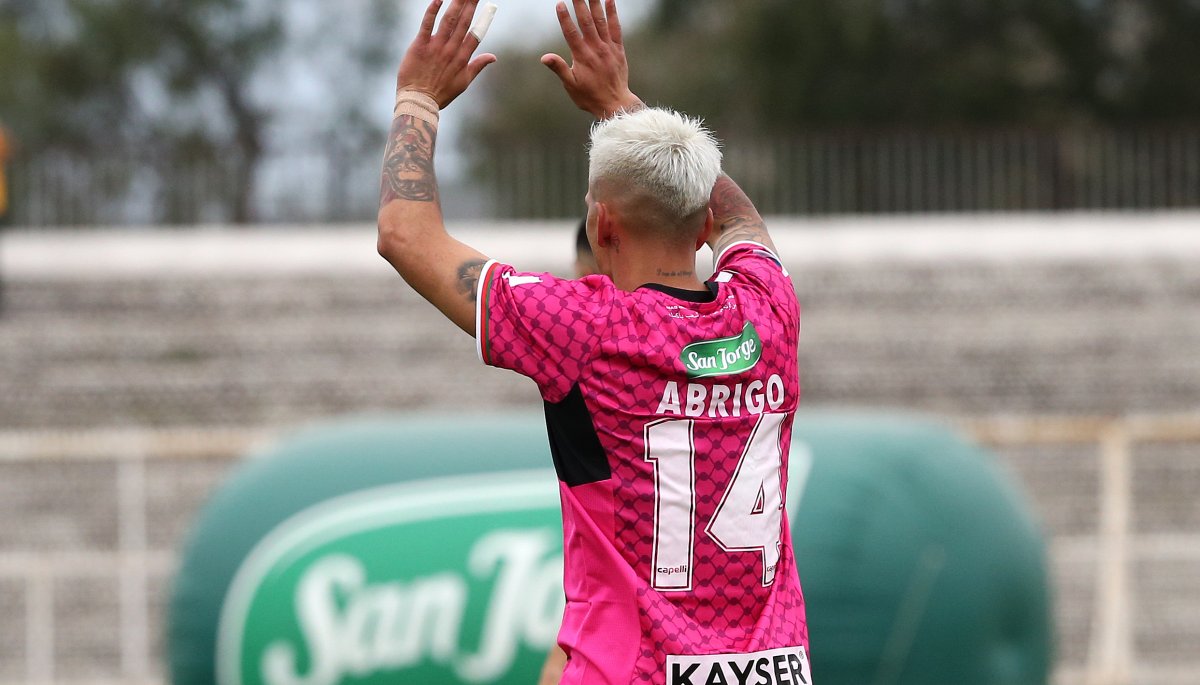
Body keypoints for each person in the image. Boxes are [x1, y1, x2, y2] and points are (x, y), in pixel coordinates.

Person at [376, 1, 812, 683]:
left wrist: (418, 98)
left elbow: (405, 235)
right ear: (701, 226)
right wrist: (621, 104)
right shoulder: (770, 310)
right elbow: (742, 220)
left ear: (602, 225)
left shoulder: (583, 328)